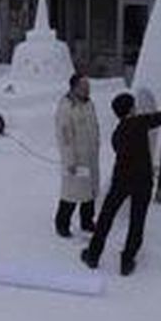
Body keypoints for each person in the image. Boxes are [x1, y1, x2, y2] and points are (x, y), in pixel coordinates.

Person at [80, 92, 161, 276]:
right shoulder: (140, 122)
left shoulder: (118, 133)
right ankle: (127, 260)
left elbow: (117, 148)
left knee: (106, 216)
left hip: (121, 180)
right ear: (131, 109)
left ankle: (93, 254)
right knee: (137, 220)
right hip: (143, 181)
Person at [54, 73, 100, 237]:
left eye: (88, 86)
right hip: (76, 159)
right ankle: (62, 223)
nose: (87, 90)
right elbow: (64, 137)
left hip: (90, 156)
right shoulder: (66, 108)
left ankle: (87, 221)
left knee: (90, 191)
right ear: (74, 88)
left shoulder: (89, 104)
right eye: (84, 86)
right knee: (71, 193)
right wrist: (69, 160)